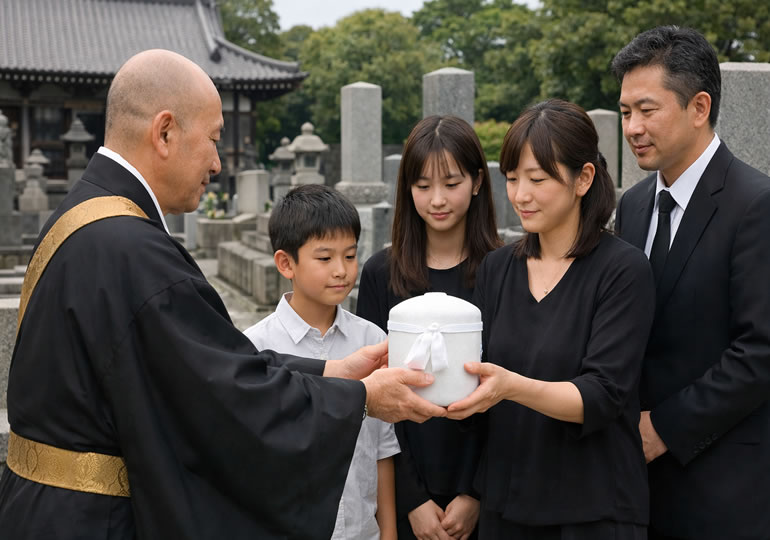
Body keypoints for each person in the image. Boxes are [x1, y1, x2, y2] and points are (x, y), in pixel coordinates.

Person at [0, 49, 447, 540]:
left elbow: (208, 365)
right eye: (213, 139)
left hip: (43, 507)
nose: (217, 161)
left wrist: (332, 371)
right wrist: (358, 398)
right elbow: (225, 398)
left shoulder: (78, 220)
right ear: (165, 132)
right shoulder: (134, 251)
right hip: (92, 520)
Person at [446, 99, 656, 539]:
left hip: (594, 510)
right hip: (508, 505)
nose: (521, 195)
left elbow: (601, 395)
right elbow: (473, 377)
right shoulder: (497, 269)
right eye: (512, 178)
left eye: (537, 179)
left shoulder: (623, 270)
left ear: (584, 178)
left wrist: (510, 386)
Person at [611, 26, 770, 540]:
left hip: (722, 483)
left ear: (699, 107)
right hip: (634, 485)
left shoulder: (755, 204)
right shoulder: (632, 206)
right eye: (625, 111)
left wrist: (664, 428)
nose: (632, 127)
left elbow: (760, 350)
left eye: (647, 109)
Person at [357, 115, 501, 540]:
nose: (437, 199)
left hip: (483, 492)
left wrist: (475, 492)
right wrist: (410, 499)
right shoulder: (380, 273)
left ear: (477, 182)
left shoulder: (504, 272)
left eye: (451, 183)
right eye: (422, 186)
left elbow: (508, 393)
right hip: (405, 488)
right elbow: (371, 397)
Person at [243, 184, 400, 540]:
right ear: (286, 263)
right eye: (325, 258)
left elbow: (383, 449)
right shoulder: (255, 348)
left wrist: (388, 533)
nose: (342, 270)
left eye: (350, 255)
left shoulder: (372, 341)